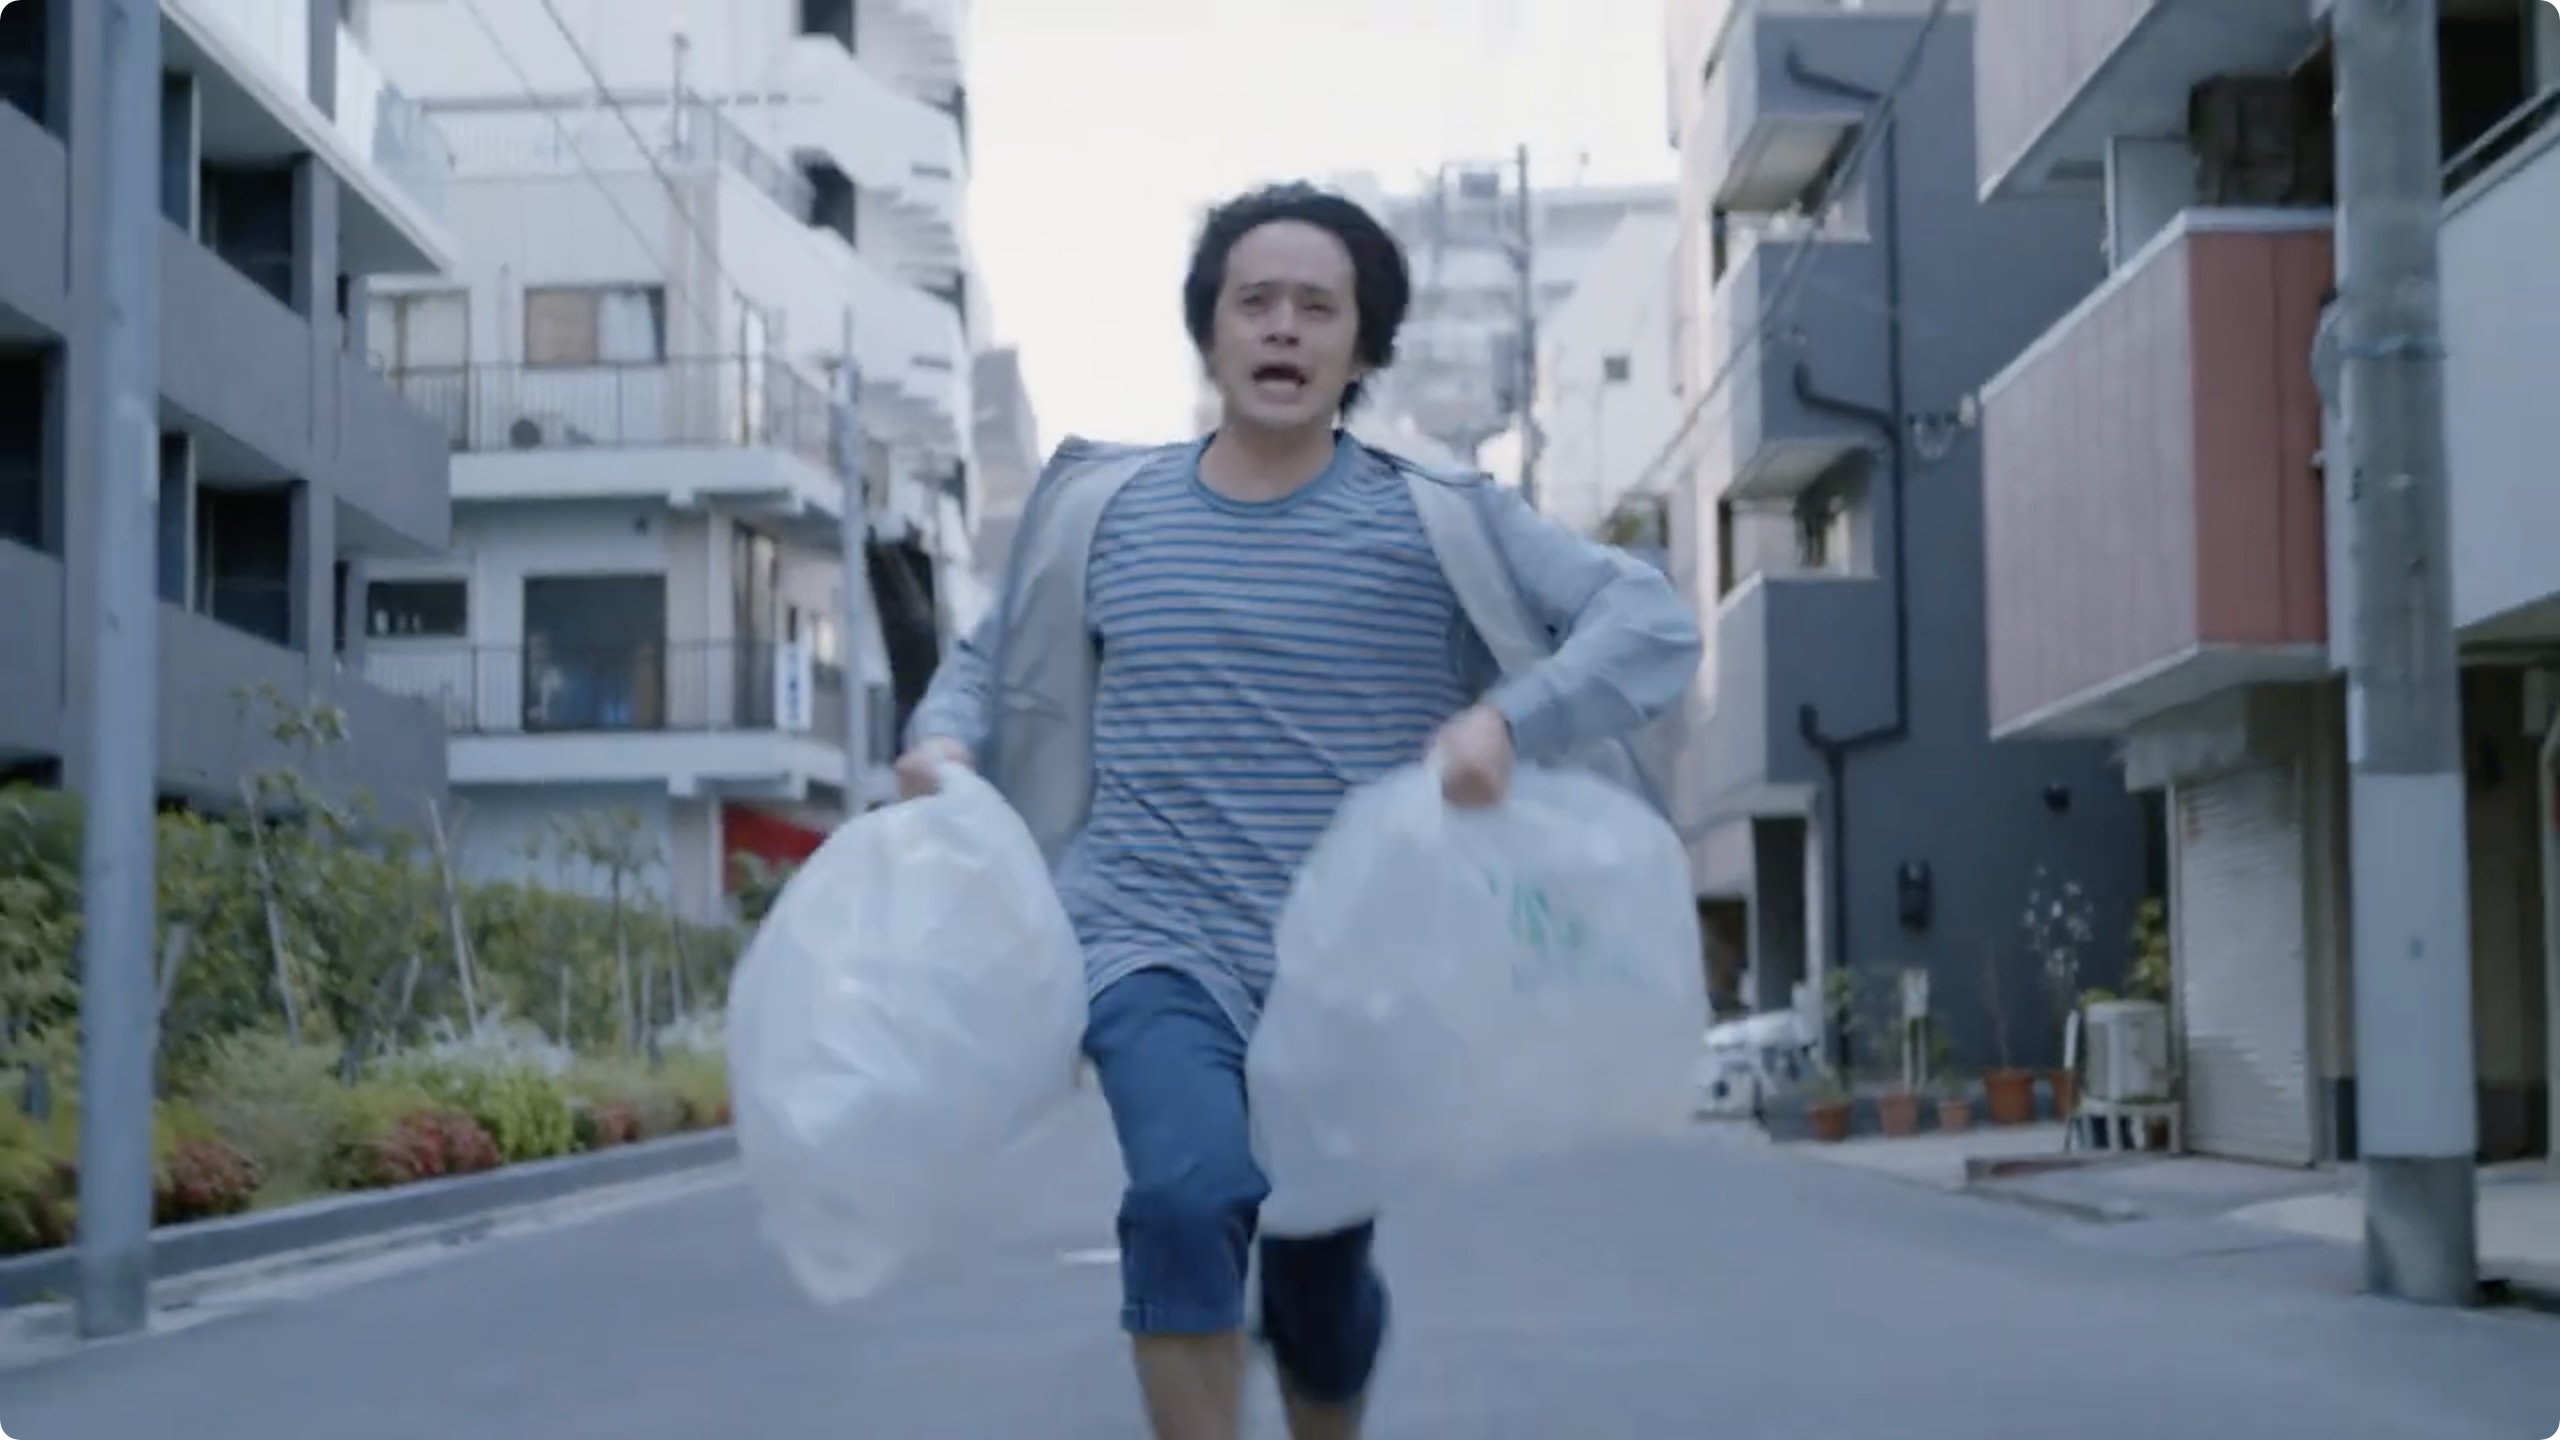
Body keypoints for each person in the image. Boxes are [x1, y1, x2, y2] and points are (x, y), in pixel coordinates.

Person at [894, 181, 1702, 1440]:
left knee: (1318, 1289)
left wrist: (1508, 721)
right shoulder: (1101, 511)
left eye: (1317, 307)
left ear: (1363, 347)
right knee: (1185, 1195)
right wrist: (941, 739)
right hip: (1146, 938)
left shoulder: (1438, 519)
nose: (1282, 327)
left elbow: (1644, 618)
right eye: (1253, 302)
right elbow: (990, 662)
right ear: (1210, 334)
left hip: (1349, 975)